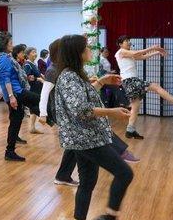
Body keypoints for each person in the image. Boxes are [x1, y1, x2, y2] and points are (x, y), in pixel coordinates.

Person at [55, 34, 135, 220]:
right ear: (78, 52)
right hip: (86, 139)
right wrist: (113, 112)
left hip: (86, 138)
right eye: (87, 48)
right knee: (125, 173)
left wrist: (101, 81)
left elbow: (84, 98)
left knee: (88, 183)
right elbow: (81, 110)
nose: (90, 50)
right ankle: (109, 219)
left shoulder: (75, 75)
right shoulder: (69, 77)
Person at [39, 39, 140, 188]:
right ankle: (119, 150)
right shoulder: (53, 70)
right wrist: (42, 113)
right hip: (62, 112)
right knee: (83, 135)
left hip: (70, 110)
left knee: (74, 144)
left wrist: (96, 81)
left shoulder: (67, 69)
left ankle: (63, 175)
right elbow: (45, 93)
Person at [114, 35, 173, 139]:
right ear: (120, 44)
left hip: (130, 81)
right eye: (126, 41)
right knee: (155, 86)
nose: (129, 42)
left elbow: (141, 57)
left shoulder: (127, 54)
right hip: (130, 81)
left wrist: (156, 52)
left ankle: (130, 130)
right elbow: (137, 53)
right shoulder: (121, 52)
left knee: (135, 107)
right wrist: (153, 47)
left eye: (129, 41)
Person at [0, 34, 40, 161]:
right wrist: (11, 96)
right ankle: (48, 118)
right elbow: (6, 78)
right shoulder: (3, 58)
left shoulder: (5, 57)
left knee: (16, 120)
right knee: (39, 100)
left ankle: (9, 152)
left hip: (16, 92)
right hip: (16, 93)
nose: (12, 45)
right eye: (10, 43)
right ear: (4, 44)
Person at [23, 46, 45, 135]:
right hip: (33, 88)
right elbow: (27, 77)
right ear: (28, 55)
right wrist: (38, 79)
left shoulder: (34, 64)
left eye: (35, 52)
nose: (35, 54)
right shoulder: (27, 64)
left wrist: (42, 76)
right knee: (35, 106)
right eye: (33, 52)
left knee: (34, 106)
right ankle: (35, 124)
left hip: (37, 87)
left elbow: (37, 74)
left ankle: (32, 127)